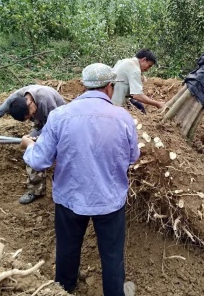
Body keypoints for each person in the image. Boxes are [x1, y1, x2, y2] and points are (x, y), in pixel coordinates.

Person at [21, 63, 140, 296]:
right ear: (109, 87)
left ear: (84, 86)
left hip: (70, 199)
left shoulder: (59, 116)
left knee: (67, 251)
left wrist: (28, 146)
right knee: (112, 256)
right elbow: (133, 157)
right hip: (109, 201)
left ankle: (64, 289)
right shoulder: (123, 118)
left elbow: (40, 161)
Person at [0, 85, 65, 204]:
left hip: (61, 121)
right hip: (42, 120)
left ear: (30, 103)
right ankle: (36, 190)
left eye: (31, 115)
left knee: (45, 150)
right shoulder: (14, 100)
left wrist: (38, 139)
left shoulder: (46, 100)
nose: (30, 118)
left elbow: (54, 127)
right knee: (33, 151)